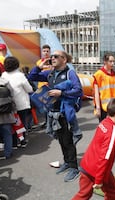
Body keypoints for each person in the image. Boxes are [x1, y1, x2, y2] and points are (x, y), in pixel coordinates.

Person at [52, 98, 115, 200]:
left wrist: (112, 155)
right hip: (98, 169)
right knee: (113, 190)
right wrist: (99, 180)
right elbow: (104, 157)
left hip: (87, 165)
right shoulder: (113, 131)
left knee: (84, 193)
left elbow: (100, 146)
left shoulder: (104, 123)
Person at [28, 50, 83, 182]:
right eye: (52, 56)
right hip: (53, 113)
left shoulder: (70, 73)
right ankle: (67, 162)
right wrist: (39, 66)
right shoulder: (50, 73)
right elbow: (32, 77)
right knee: (61, 140)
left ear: (64, 60)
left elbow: (78, 90)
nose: (52, 58)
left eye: (56, 56)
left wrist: (61, 93)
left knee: (68, 141)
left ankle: (74, 167)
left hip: (65, 113)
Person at [93, 52, 115, 152]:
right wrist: (97, 108)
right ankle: (104, 145)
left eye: (113, 61)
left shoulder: (114, 74)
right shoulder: (98, 74)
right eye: (110, 61)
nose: (113, 63)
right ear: (105, 61)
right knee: (104, 127)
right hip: (104, 107)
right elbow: (96, 93)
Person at [2, 56, 34, 147]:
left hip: (8, 104)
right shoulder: (20, 75)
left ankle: (14, 142)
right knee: (22, 122)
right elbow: (29, 89)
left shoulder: (3, 75)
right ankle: (22, 141)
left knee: (12, 123)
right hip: (21, 103)